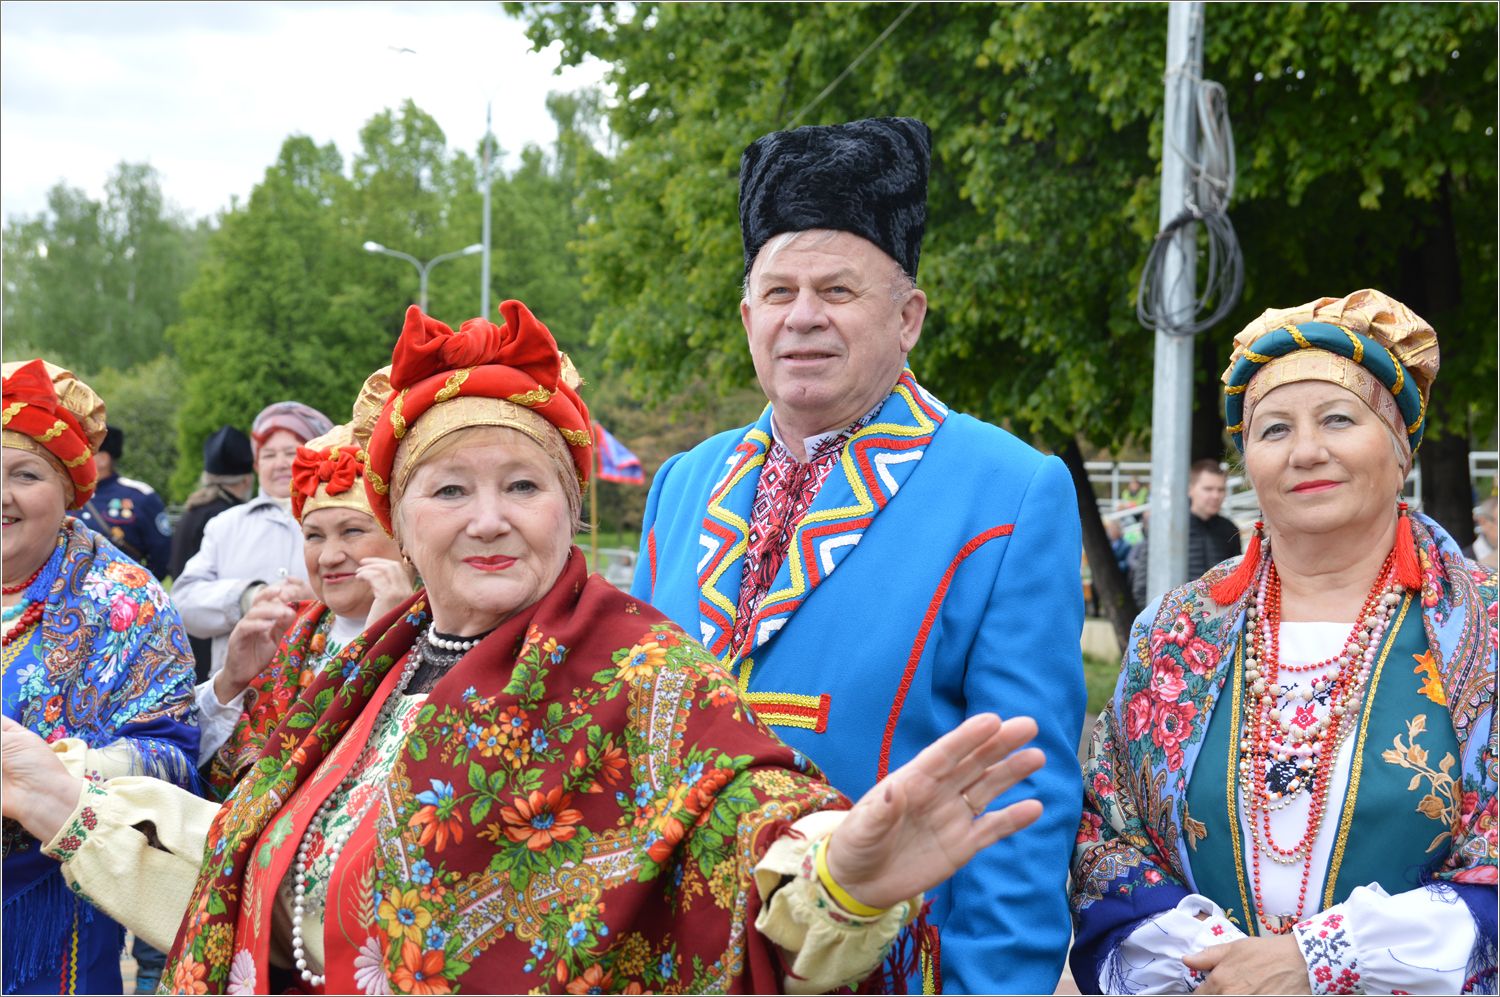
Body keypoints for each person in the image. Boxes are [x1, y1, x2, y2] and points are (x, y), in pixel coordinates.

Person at [2, 301, 1049, 995]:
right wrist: (58, 798)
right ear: (402, 522)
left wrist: (841, 885)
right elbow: (264, 876)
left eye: (524, 484)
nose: (490, 518)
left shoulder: (642, 674)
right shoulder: (365, 676)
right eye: (450, 488)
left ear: (570, 508)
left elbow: (757, 842)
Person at [632, 116, 1085, 992]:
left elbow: (1022, 801)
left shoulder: (1010, 489)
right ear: (748, 316)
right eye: (779, 291)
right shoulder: (683, 483)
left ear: (908, 317)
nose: (802, 316)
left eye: (837, 289)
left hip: (892, 967)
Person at [1070, 289, 1496, 994]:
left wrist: (1319, 961)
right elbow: (1110, 841)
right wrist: (1224, 967)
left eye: (1338, 418)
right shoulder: (1174, 635)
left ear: (1400, 448)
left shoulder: (1484, 631)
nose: (1306, 451)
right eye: (1273, 430)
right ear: (1248, 463)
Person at [0, 359, 197, 995]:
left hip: (48, 919)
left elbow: (173, 759)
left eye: (25, 475)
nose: (2, 496)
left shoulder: (126, 600)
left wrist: (57, 770)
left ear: (70, 491)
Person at [199, 417, 414, 784]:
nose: (328, 557)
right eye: (314, 536)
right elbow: (190, 757)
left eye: (352, 531)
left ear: (405, 539)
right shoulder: (285, 630)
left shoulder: (444, 633)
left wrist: (388, 638)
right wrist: (231, 681)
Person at [172, 401, 333, 678]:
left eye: (291, 452)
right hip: (238, 690)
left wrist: (316, 597)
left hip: (319, 685)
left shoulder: (343, 521)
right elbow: (183, 602)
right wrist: (247, 597)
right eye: (268, 455)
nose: (280, 464)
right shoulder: (225, 524)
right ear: (256, 465)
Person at [169, 425, 258, 682]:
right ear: (246, 481)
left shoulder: (192, 511)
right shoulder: (228, 517)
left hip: (186, 632)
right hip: (213, 633)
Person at [1129, 459, 1243, 607]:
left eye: (1221, 490)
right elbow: (1141, 587)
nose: (1215, 495)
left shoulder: (1229, 530)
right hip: (1174, 616)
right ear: (1191, 489)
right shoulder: (1168, 527)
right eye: (1208, 489)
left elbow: (1238, 580)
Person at [75, 425, 174, 580]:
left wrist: (138, 587)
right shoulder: (66, 493)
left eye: (83, 453)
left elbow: (162, 554)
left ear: (103, 459)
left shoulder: (140, 496)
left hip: (119, 589)